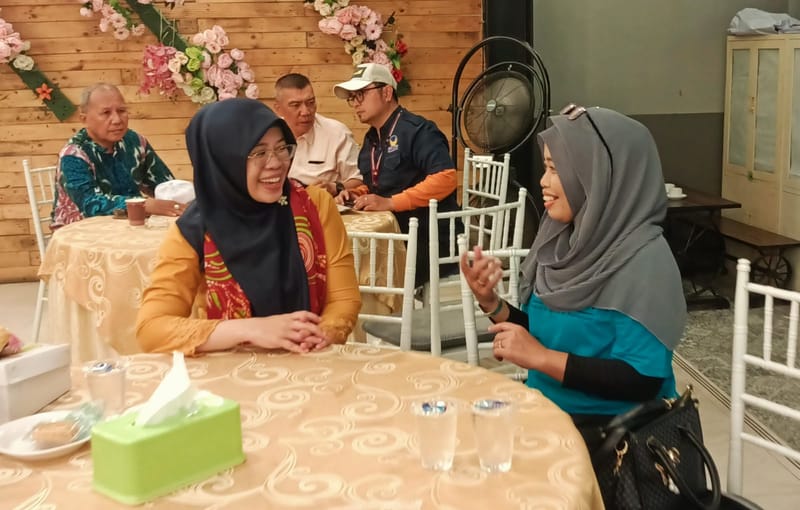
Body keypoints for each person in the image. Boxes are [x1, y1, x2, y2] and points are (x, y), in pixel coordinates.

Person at [460, 105, 686, 450]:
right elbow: (551, 333)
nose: (543, 181)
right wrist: (491, 302)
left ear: (598, 176)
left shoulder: (644, 261)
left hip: (613, 440)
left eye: (555, 169)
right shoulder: (561, 242)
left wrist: (541, 358)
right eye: (546, 167)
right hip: (546, 414)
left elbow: (643, 379)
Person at [136, 99, 361, 354]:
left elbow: (343, 298)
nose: (276, 163)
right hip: (231, 370)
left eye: (281, 148)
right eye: (258, 153)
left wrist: (322, 333)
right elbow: (151, 329)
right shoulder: (195, 229)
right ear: (224, 161)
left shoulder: (314, 205)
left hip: (309, 359)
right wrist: (250, 330)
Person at [333, 63, 462, 285]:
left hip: (427, 240)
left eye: (361, 94)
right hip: (394, 236)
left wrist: (391, 203)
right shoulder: (371, 139)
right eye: (352, 98)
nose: (355, 103)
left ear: (386, 93)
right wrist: (358, 194)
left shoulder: (419, 130)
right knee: (342, 259)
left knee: (353, 265)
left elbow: (446, 177)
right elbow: (379, 184)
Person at [52, 83, 183, 228]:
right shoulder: (73, 155)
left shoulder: (135, 142)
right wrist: (144, 205)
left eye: (121, 111)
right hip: (80, 232)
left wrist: (180, 199)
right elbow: (90, 204)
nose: (117, 120)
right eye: (106, 113)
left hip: (131, 225)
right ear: (84, 119)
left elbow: (165, 185)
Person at [273, 73, 363, 196]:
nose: (305, 112)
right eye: (295, 105)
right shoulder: (268, 136)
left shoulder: (337, 133)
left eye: (310, 102)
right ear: (278, 108)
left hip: (323, 204)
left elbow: (359, 180)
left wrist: (335, 187)